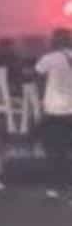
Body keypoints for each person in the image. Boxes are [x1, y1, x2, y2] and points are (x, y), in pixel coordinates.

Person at [35, 28, 72, 199]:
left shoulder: (49, 58)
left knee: (54, 150)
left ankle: (55, 186)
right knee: (66, 149)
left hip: (54, 110)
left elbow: (36, 74)